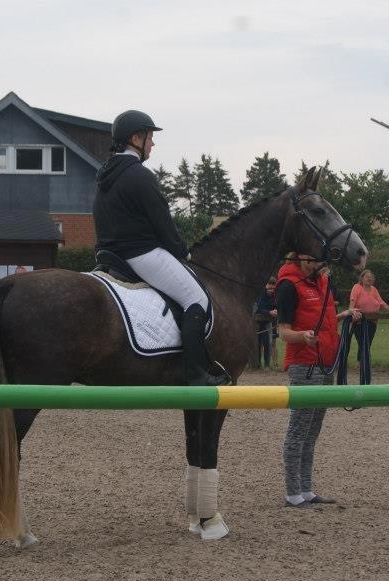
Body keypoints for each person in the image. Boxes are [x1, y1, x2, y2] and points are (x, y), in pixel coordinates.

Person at [92, 109, 229, 386]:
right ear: (135, 138)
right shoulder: (139, 175)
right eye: (150, 137)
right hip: (141, 254)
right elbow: (163, 224)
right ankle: (195, 374)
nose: (153, 143)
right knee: (196, 299)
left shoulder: (105, 175)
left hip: (110, 254)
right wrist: (182, 252)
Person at [276, 254, 361, 508]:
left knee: (312, 431)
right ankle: (293, 492)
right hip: (305, 365)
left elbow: (324, 322)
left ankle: (306, 489)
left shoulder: (322, 282)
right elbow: (283, 333)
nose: (320, 265)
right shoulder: (288, 286)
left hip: (326, 362)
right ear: (300, 258)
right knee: (298, 429)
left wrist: (343, 315)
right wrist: (303, 336)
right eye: (314, 260)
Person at [349, 269, 389, 380]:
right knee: (363, 343)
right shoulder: (357, 287)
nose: (369, 278)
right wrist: (351, 312)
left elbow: (381, 303)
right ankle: (365, 364)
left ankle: (361, 362)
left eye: (371, 277)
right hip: (359, 321)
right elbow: (352, 302)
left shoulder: (374, 290)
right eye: (367, 277)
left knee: (367, 343)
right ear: (362, 278)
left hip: (372, 321)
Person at [252, 277, 277, 369]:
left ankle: (267, 364)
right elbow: (258, 308)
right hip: (257, 322)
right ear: (266, 285)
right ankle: (257, 365)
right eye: (269, 286)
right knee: (257, 344)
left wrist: (276, 310)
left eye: (273, 287)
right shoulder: (261, 294)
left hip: (268, 322)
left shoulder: (275, 295)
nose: (271, 289)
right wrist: (269, 312)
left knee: (268, 343)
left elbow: (276, 305)